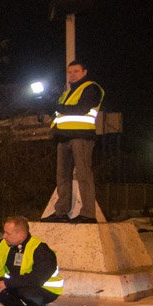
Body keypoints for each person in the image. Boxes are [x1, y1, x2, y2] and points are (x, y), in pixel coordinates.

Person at [44, 60, 105, 223]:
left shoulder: (91, 88)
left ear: (85, 72)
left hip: (82, 137)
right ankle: (61, 211)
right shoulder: (67, 93)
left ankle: (88, 213)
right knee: (62, 176)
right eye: (70, 72)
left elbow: (81, 109)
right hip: (63, 138)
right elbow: (61, 114)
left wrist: (56, 107)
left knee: (84, 174)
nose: (72, 74)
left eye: (76, 71)